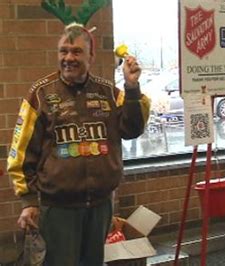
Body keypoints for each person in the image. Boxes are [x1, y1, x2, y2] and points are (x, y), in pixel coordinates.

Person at [7, 23, 150, 266]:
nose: (68, 58)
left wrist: (132, 87)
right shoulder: (40, 95)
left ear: (91, 56)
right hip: (58, 210)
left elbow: (132, 129)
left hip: (100, 206)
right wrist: (28, 202)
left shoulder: (108, 93)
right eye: (63, 51)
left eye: (76, 52)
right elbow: (20, 154)